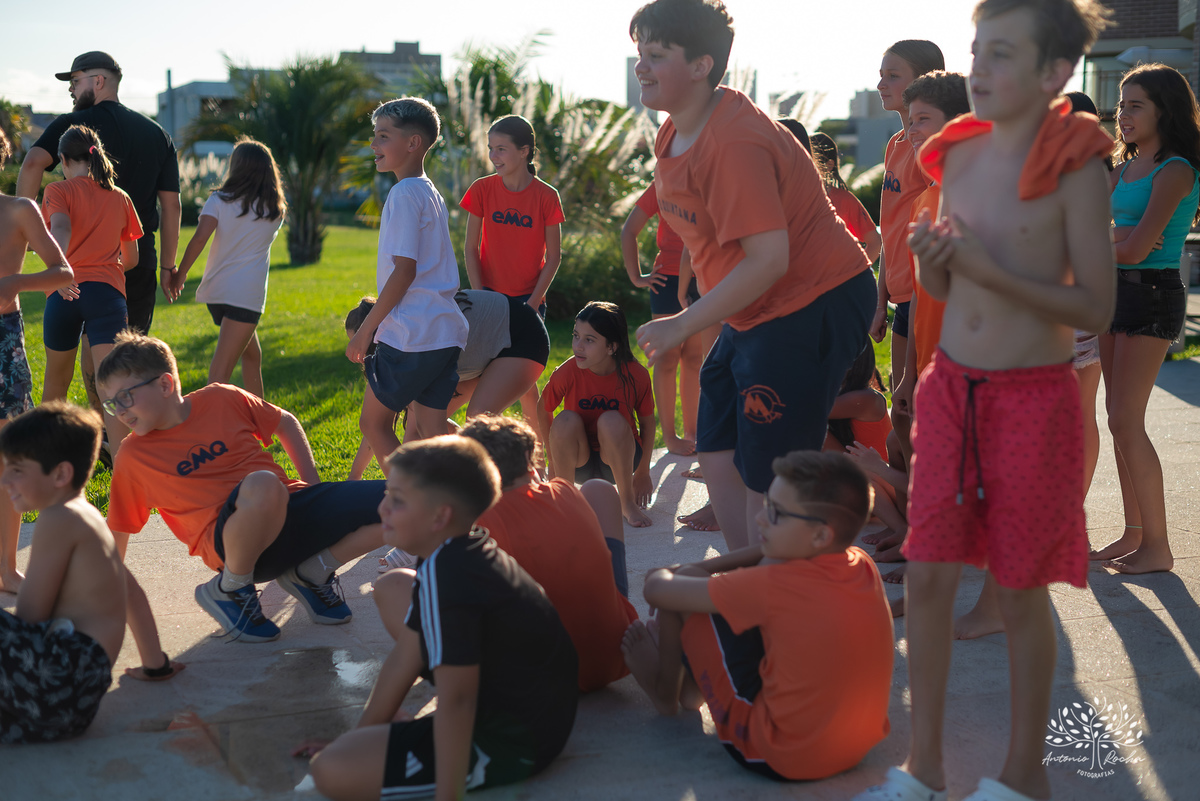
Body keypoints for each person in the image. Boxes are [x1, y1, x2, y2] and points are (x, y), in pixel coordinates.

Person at [854, 3, 1116, 800]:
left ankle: (1022, 772)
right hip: (949, 389)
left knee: (1019, 586)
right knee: (929, 577)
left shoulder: (1077, 165)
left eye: (1001, 53)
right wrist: (935, 260)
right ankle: (924, 766)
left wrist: (986, 267)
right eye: (978, 49)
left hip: (1030, 400)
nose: (979, 66)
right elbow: (943, 283)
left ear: (1052, 74)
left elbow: (1095, 308)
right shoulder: (956, 156)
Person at [630, 0, 875, 551]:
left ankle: (784, 590)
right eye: (639, 53)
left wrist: (680, 322)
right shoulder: (676, 132)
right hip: (753, 306)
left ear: (701, 65)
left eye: (656, 55)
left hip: (813, 298)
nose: (641, 66)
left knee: (773, 466)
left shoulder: (733, 142)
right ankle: (748, 572)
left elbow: (769, 260)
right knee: (715, 438)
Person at [307, 436, 578, 801]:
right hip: (537, 712)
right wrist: (361, 737)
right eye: (387, 493)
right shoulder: (458, 551)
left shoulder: (448, 575)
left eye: (398, 500)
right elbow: (407, 654)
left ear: (441, 516)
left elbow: (458, 701)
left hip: (514, 742)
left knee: (330, 771)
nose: (383, 507)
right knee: (347, 752)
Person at [99, 331, 388, 643]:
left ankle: (313, 572)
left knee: (404, 499)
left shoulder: (221, 398)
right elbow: (119, 529)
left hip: (290, 507)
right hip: (239, 552)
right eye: (112, 404)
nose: (120, 411)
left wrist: (313, 486)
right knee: (264, 483)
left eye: (126, 397)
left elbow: (285, 422)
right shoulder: (132, 456)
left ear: (165, 384)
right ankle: (232, 589)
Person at [621, 450, 893, 780]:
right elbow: (771, 553)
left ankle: (666, 692)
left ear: (820, 535)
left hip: (778, 753)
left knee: (687, 585)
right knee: (701, 578)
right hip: (856, 745)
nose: (761, 519)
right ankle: (695, 679)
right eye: (767, 503)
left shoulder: (776, 585)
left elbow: (656, 591)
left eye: (776, 514)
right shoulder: (858, 562)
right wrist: (700, 567)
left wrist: (675, 573)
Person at [17, 51, 180, 423]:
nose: (72, 92)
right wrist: (170, 266)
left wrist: (22, 232)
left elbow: (30, 165)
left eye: (75, 83)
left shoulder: (72, 125)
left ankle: (102, 442)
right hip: (131, 262)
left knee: (80, 369)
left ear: (98, 81)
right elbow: (171, 206)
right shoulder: (158, 134)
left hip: (71, 272)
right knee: (127, 368)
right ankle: (131, 446)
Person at [1089, 63, 1200, 574]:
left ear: (1164, 109)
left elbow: (1136, 251)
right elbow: (1087, 235)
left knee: (1124, 419)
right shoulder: (1123, 166)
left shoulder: (1175, 169)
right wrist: (1114, 239)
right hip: (1113, 294)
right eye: (1121, 104)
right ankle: (1134, 534)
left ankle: (1158, 545)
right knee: (1117, 421)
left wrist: (1114, 240)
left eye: (1136, 104)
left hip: (1152, 294)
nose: (1123, 113)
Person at [460, 414, 639, 692]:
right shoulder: (565, 490)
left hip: (544, 677)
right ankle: (613, 606)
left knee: (399, 585)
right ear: (530, 462)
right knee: (599, 488)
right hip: (617, 652)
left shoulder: (478, 522)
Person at [346, 98, 469, 463]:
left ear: (413, 143)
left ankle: (410, 504)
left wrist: (366, 330)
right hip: (443, 333)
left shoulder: (402, 194)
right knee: (434, 433)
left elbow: (404, 270)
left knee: (374, 425)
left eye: (383, 136)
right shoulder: (429, 191)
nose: (374, 145)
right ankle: (466, 504)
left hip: (411, 335)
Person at [0, 401, 125, 743]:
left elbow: (29, 618)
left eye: (16, 470)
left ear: (60, 474)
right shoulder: (85, 516)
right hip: (72, 699)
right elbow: (132, 596)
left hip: (59, 679)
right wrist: (155, 662)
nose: (4, 479)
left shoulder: (58, 519)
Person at [342, 290, 550, 482]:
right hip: (485, 351)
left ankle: (515, 484)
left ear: (379, 336)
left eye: (365, 350)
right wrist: (354, 478)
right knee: (416, 431)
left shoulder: (410, 344)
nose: (362, 359)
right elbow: (376, 425)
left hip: (522, 338)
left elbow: (375, 425)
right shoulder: (405, 332)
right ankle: (451, 486)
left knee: (479, 418)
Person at [0, 129, 73, 594]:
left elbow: (62, 271)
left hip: (3, 341)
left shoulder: (19, 210)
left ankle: (6, 570)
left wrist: (12, 283)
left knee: (9, 458)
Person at [40, 124, 142, 455]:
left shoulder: (58, 191)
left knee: (55, 384)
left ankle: (46, 463)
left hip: (63, 293)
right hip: (107, 297)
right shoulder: (120, 197)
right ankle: (124, 472)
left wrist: (63, 271)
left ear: (64, 160)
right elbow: (132, 258)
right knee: (112, 387)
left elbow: (61, 228)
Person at [461, 114, 565, 430]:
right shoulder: (482, 189)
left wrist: (533, 303)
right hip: (489, 298)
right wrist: (479, 296)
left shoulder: (547, 196)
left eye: (502, 149)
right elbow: (470, 248)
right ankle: (508, 442)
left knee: (524, 378)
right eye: (491, 148)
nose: (494, 156)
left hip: (528, 300)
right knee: (498, 375)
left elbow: (555, 257)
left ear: (524, 151)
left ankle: (537, 451)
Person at [165, 137, 286, 399]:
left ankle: (259, 427)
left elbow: (199, 238)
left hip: (218, 293)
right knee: (219, 375)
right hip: (246, 298)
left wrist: (180, 274)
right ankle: (209, 433)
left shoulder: (219, 200)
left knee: (253, 356)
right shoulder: (275, 210)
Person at [872, 40, 945, 461]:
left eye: (891, 75)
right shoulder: (897, 144)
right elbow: (890, 227)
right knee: (902, 414)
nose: (881, 83)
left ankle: (920, 521)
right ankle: (909, 521)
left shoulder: (931, 152)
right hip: (901, 299)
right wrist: (880, 298)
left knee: (916, 413)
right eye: (881, 74)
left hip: (928, 300)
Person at [539, 301, 655, 527]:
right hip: (579, 461)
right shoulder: (567, 372)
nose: (578, 346)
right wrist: (552, 461)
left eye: (589, 340)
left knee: (611, 420)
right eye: (576, 336)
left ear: (611, 347)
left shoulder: (636, 375)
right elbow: (543, 410)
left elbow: (647, 424)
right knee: (565, 420)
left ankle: (626, 503)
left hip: (619, 461)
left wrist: (642, 472)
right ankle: (566, 499)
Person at [622, 182, 717, 456]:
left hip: (703, 276)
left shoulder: (708, 176)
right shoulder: (662, 183)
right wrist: (636, 276)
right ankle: (671, 437)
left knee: (694, 359)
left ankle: (692, 433)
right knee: (666, 358)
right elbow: (629, 230)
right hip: (666, 279)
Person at [811, 132, 883, 264]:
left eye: (811, 160)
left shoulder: (845, 200)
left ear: (829, 165)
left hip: (838, 281)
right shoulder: (795, 198)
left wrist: (857, 274)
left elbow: (875, 243)